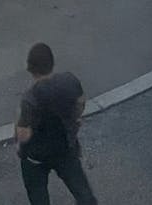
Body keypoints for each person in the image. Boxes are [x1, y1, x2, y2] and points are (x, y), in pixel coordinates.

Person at [15, 43, 96, 205]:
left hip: (36, 157)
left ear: (30, 68)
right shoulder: (69, 80)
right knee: (82, 192)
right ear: (52, 63)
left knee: (38, 196)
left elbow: (24, 134)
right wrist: (75, 119)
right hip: (65, 148)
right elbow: (80, 102)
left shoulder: (30, 99)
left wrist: (18, 140)